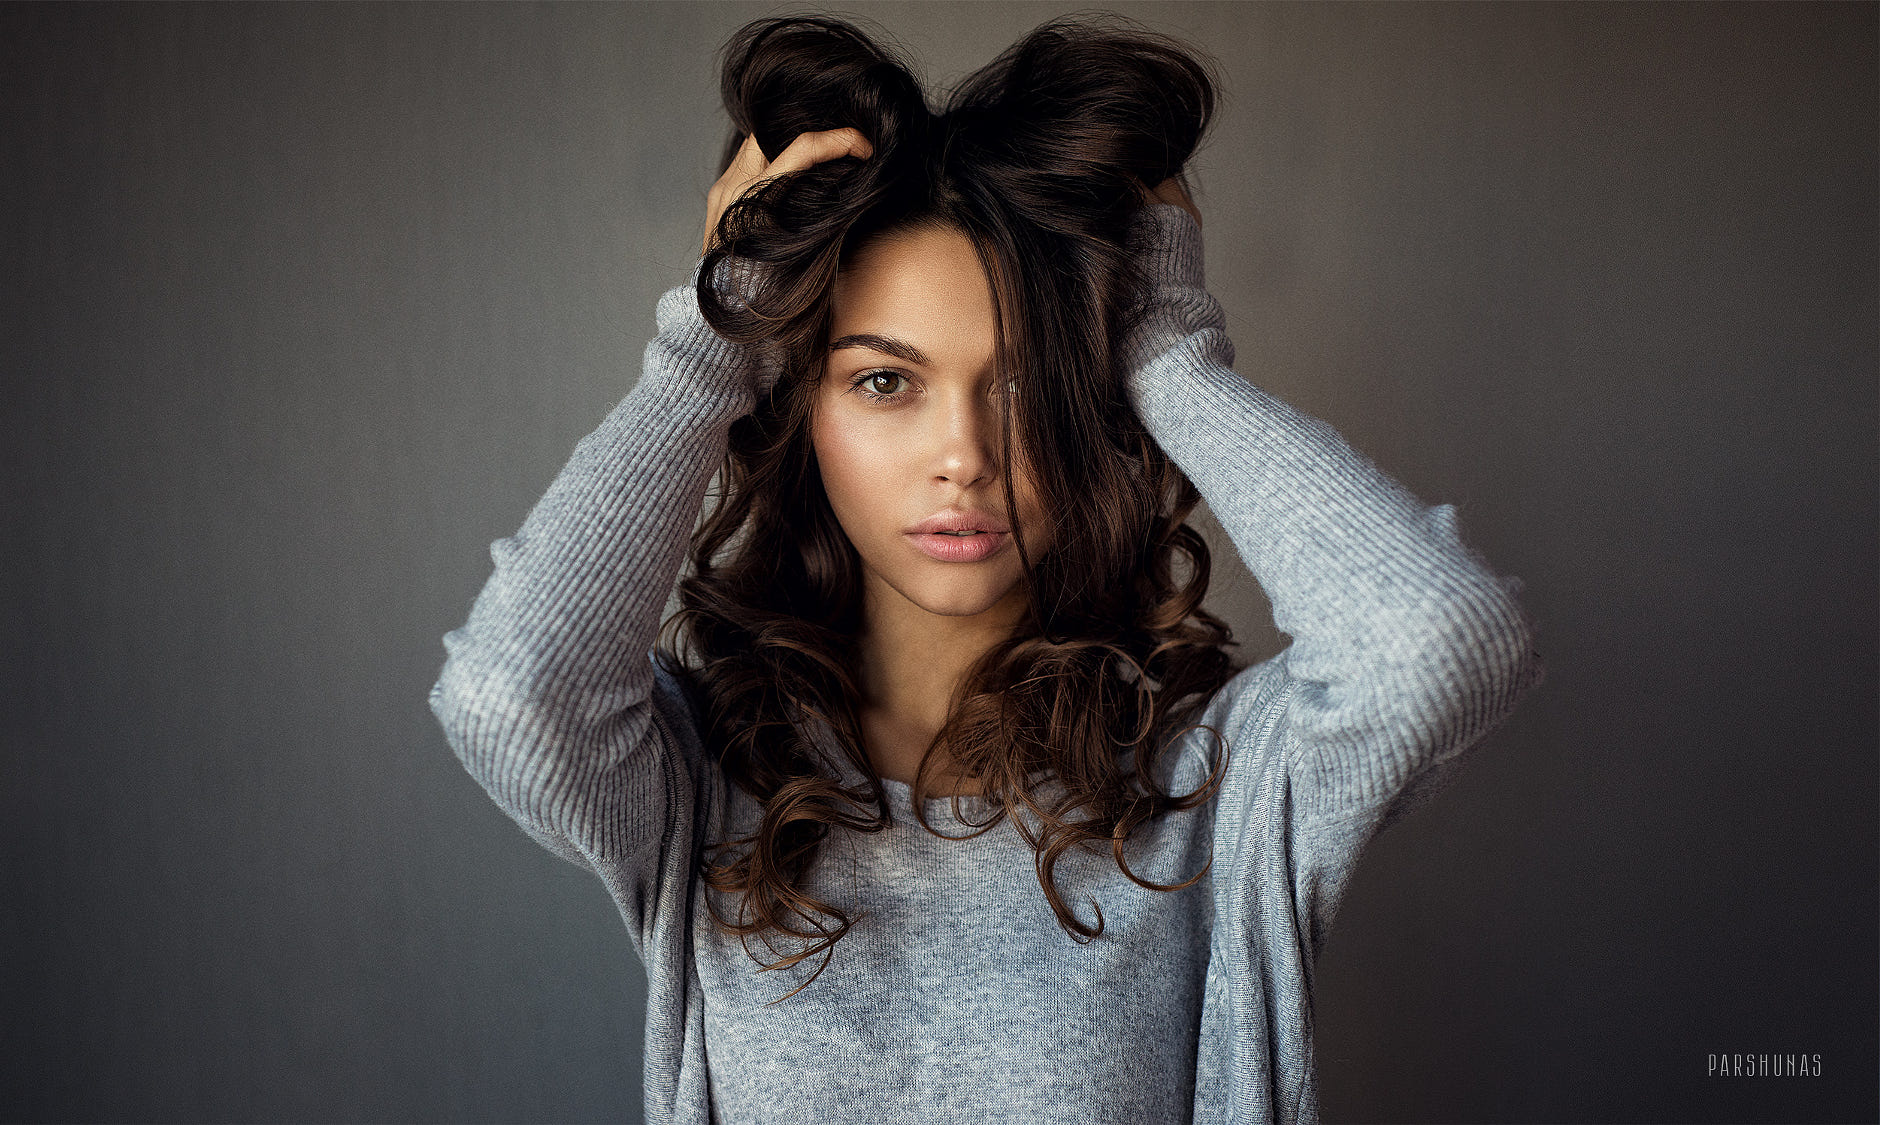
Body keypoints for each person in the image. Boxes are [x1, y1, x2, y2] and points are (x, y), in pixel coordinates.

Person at [429, 13, 1543, 1124]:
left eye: (1020, 386)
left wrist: (1163, 344)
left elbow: (1436, 643)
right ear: (797, 406)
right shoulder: (699, 781)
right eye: (883, 382)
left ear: (1089, 411)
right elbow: (511, 696)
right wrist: (709, 343)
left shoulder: (1214, 790)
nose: (962, 456)